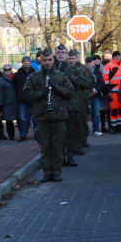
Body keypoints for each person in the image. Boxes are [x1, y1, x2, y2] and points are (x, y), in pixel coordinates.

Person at [22, 48, 74, 182]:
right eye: (44, 60)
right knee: (45, 147)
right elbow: (26, 94)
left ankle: (56, 171)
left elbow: (70, 92)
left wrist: (56, 87)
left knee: (57, 147)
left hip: (58, 117)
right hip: (42, 117)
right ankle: (47, 171)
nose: (47, 63)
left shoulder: (61, 76)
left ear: (53, 60)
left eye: (50, 60)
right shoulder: (34, 77)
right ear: (41, 61)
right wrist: (41, 93)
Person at [0, 64, 20, 141]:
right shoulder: (0, 80)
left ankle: (22, 134)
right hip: (7, 103)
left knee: (19, 119)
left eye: (9, 69)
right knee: (9, 121)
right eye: (5, 70)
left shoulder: (15, 78)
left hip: (16, 102)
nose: (7, 71)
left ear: (11, 69)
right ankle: (11, 136)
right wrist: (0, 103)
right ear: (3, 71)